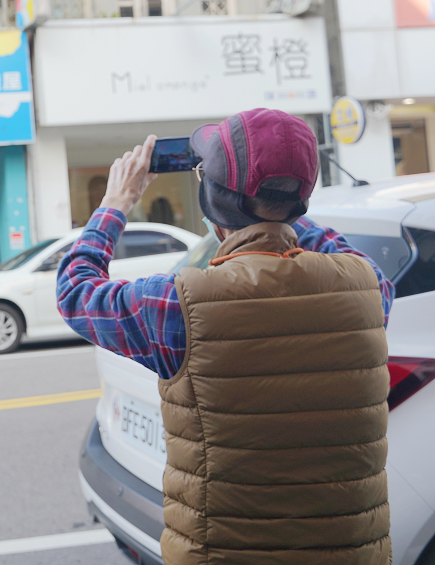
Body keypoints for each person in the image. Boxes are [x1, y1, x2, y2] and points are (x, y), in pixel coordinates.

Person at [56, 109, 394, 565]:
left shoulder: (181, 305)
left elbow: (76, 291)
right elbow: (335, 249)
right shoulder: (367, 288)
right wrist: (280, 207)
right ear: (303, 200)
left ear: (213, 202)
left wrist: (114, 204)